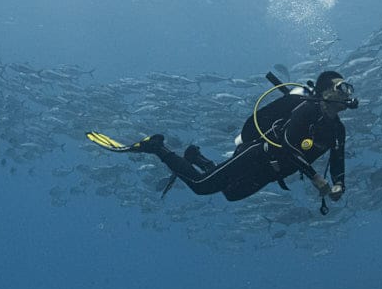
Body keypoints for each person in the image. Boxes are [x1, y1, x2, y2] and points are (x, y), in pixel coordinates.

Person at [89, 71, 356, 209]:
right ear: (325, 92)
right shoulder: (306, 109)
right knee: (202, 187)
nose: (347, 93)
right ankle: (156, 146)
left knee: (230, 193)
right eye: (342, 88)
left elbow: (337, 159)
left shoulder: (337, 130)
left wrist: (339, 184)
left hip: (271, 173)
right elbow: (286, 143)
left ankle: (197, 158)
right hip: (257, 154)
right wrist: (316, 178)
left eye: (349, 88)